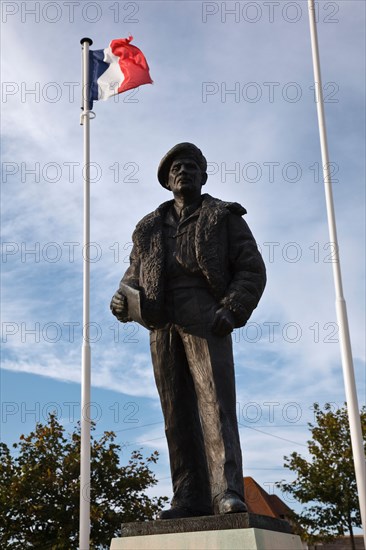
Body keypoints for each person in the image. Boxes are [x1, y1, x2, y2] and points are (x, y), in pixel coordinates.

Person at [110, 143, 266, 519]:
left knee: (215, 406)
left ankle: (227, 492)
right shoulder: (148, 228)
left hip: (204, 311)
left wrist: (232, 308)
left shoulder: (223, 217)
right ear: (167, 181)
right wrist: (121, 299)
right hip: (160, 320)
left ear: (203, 177)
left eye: (192, 167)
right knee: (175, 412)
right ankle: (188, 496)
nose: (184, 172)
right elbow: (134, 274)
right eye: (177, 168)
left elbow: (252, 269)